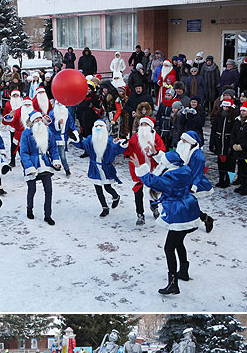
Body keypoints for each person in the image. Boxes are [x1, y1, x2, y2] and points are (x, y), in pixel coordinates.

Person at [136, 150, 201, 294]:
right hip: (189, 209)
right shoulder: (183, 169)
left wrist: (141, 169)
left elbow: (155, 182)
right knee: (178, 243)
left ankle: (173, 283)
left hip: (179, 215)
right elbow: (168, 162)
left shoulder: (171, 178)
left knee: (169, 248)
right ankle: (183, 271)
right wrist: (157, 154)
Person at [72, 119, 126, 218]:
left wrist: (122, 145)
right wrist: (75, 140)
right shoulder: (90, 139)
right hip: (94, 168)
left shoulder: (109, 141)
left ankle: (116, 196)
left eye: (101, 126)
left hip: (106, 168)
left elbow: (116, 149)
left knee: (107, 187)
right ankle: (105, 208)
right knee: (98, 189)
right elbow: (82, 144)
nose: (98, 128)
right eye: (96, 126)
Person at [19, 110, 61, 225]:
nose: (38, 121)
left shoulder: (48, 132)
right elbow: (23, 152)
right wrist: (29, 166)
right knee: (32, 190)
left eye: (39, 119)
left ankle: (48, 215)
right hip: (32, 164)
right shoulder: (26, 134)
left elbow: (53, 148)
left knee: (49, 190)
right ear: (31, 121)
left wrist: (55, 160)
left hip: (45, 164)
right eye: (35, 119)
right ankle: (29, 209)